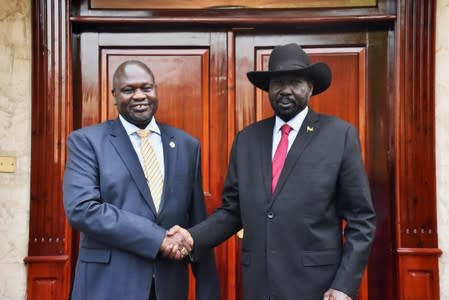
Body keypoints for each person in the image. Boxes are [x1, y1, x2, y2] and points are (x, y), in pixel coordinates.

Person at [170, 43, 376, 300]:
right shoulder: (247, 139)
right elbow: (233, 211)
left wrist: (344, 285)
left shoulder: (340, 135)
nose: (286, 90)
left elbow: (361, 219)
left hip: (319, 288)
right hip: (260, 286)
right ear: (268, 88)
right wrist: (191, 237)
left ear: (310, 87)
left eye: (296, 82)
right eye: (278, 82)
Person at [63, 60, 220, 300]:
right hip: (108, 286)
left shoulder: (187, 145)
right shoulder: (87, 142)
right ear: (114, 95)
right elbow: (82, 209)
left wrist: (207, 292)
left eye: (146, 88)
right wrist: (158, 239)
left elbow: (197, 220)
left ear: (156, 90)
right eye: (128, 90)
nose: (139, 96)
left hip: (169, 287)